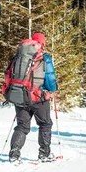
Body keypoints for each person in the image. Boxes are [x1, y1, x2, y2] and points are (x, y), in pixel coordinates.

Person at [6, 32, 57, 163]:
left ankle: (14, 154)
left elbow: (8, 75)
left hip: (20, 96)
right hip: (38, 97)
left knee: (22, 126)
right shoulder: (44, 58)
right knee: (45, 124)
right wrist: (52, 90)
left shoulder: (19, 56)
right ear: (42, 43)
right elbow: (50, 78)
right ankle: (44, 154)